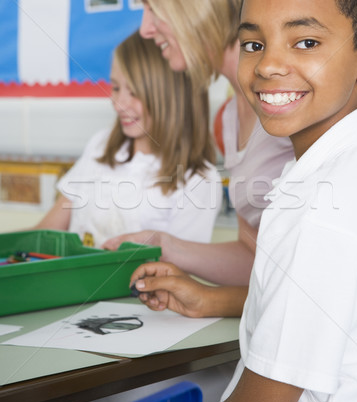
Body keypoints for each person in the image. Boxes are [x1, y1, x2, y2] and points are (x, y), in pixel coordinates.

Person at [130, 0, 357, 402]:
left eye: (305, 41)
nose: (270, 63)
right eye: (254, 42)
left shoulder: (325, 205)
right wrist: (215, 298)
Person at [103, 0, 294, 286]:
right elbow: (253, 257)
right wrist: (164, 245)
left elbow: (311, 277)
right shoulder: (229, 118)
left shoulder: (286, 95)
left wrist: (207, 300)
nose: (144, 28)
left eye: (152, 5)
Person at [33, 31, 221, 247]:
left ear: (172, 96)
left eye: (134, 92)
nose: (119, 103)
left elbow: (176, 273)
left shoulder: (199, 180)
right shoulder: (101, 145)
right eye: (115, 87)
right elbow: (45, 233)